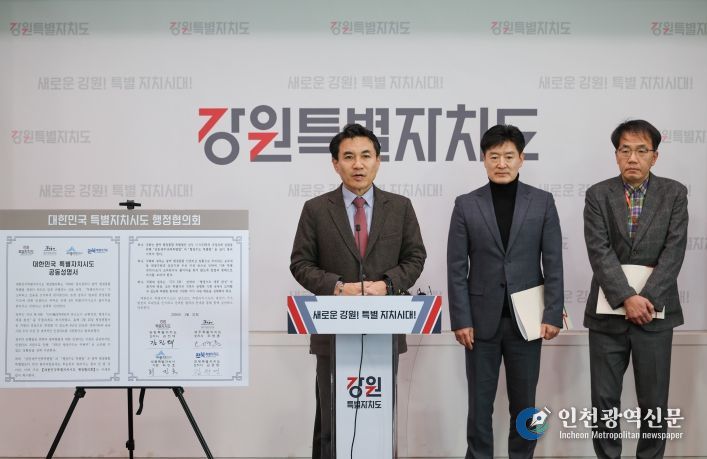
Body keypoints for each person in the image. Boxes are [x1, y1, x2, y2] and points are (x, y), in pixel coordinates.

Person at [290, 123, 426, 459]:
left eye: (366, 156)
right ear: (335, 164)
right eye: (348, 157)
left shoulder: (400, 207)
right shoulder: (316, 209)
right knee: (331, 419)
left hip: (384, 330)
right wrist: (337, 287)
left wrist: (387, 285)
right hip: (333, 333)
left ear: (378, 161)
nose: (358, 164)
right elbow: (301, 263)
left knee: (379, 419)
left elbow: (415, 257)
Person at [447, 124, 564, 459]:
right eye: (494, 156)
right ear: (484, 159)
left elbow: (553, 262)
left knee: (526, 406)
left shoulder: (542, 202)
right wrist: (461, 319)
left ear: (521, 159)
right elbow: (456, 268)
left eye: (509, 156)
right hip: (479, 323)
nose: (501, 163)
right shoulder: (466, 205)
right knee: (479, 406)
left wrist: (552, 313)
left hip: (527, 322)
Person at [583, 119, 688, 459]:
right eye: (625, 150)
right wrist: (627, 297)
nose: (632, 158)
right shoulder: (598, 195)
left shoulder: (674, 193)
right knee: (604, 401)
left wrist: (647, 299)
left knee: (654, 402)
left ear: (654, 157)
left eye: (641, 150)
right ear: (616, 155)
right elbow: (599, 250)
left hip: (655, 315)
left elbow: (674, 252)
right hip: (607, 314)